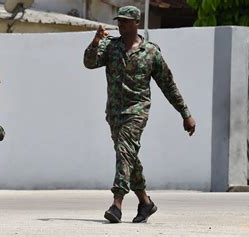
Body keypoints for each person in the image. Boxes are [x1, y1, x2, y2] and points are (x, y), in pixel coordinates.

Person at [83, 6, 196, 223]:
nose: (121, 25)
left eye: (125, 21)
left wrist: (185, 113)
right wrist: (96, 41)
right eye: (119, 21)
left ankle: (117, 204)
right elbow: (89, 63)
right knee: (128, 156)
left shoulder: (151, 53)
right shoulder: (110, 47)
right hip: (115, 112)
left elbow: (168, 85)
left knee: (125, 149)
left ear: (136, 23)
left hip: (137, 111)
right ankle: (145, 202)